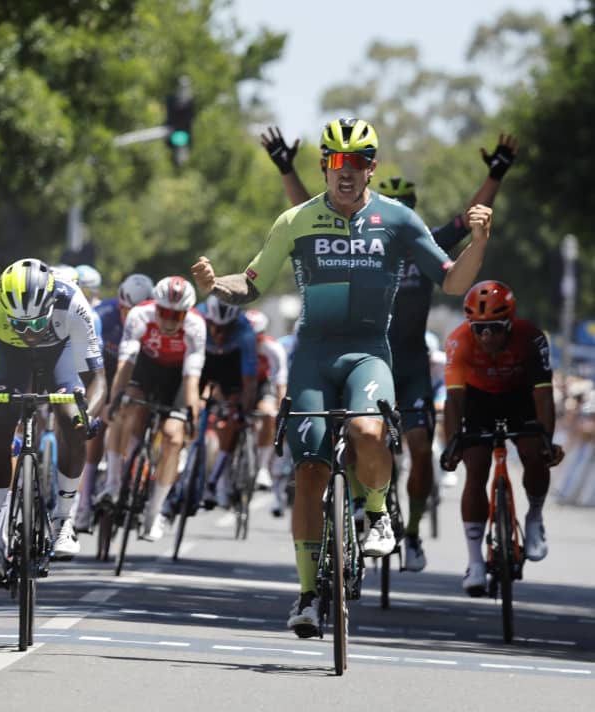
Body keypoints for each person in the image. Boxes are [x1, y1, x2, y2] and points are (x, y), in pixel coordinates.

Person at [193, 117, 492, 638]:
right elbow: (253, 281)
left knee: (367, 431)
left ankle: (377, 512)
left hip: (367, 354)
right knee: (308, 467)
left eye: (355, 163)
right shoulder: (296, 219)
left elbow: (453, 282)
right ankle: (308, 595)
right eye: (335, 163)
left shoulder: (397, 221)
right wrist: (217, 283)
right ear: (324, 167)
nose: (345, 173)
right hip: (312, 355)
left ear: (371, 168)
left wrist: (479, 242)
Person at [261, 125, 519, 571]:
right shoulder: (345, 228)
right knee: (349, 440)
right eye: (340, 164)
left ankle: (411, 532)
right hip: (347, 353)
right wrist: (286, 168)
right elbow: (307, 212)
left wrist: (495, 176)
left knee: (417, 448)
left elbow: (471, 216)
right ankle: (360, 507)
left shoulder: (409, 233)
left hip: (405, 362)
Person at [0, 258, 106, 584]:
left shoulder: (73, 302)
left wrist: (87, 416)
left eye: (36, 324)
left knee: (71, 419)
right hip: (7, 357)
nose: (29, 333)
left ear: (51, 304)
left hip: (60, 352)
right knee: (0, 424)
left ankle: (64, 520)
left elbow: (97, 380)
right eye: (20, 325)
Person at [440, 281, 563, 596]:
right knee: (476, 465)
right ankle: (474, 562)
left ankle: (534, 517)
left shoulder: (530, 338)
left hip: (520, 397)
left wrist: (547, 440)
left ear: (509, 324)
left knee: (534, 453)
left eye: (494, 328)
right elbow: (454, 401)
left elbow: (544, 397)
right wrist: (452, 442)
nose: (485, 336)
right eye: (478, 328)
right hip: (477, 400)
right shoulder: (458, 342)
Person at [105, 276, 205, 542]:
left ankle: (155, 510)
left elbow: (191, 378)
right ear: (155, 306)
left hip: (177, 379)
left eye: (177, 315)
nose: (170, 321)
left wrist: (191, 414)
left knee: (173, 436)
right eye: (165, 313)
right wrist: (115, 398)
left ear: (187, 313)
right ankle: (112, 485)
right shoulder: (139, 315)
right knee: (125, 407)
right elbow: (126, 363)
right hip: (145, 369)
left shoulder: (196, 326)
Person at [73, 272, 155, 532]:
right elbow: (88, 364)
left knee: (135, 411)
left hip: (136, 373)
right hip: (103, 371)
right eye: (126, 311)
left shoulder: (154, 321)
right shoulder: (103, 316)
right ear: (120, 304)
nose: (130, 318)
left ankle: (126, 478)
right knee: (94, 428)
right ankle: (83, 505)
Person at [196, 295, 257, 508]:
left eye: (227, 328)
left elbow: (249, 381)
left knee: (234, 417)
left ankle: (214, 482)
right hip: (204, 360)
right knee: (192, 406)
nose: (221, 334)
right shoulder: (198, 318)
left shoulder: (245, 332)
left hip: (232, 364)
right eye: (216, 328)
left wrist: (241, 410)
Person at [244, 308, 290, 514]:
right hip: (239, 382)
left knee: (268, 415)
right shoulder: (236, 345)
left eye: (257, 337)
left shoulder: (273, 348)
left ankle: (262, 468)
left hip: (262, 385)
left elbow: (280, 383)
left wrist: (282, 411)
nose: (253, 341)